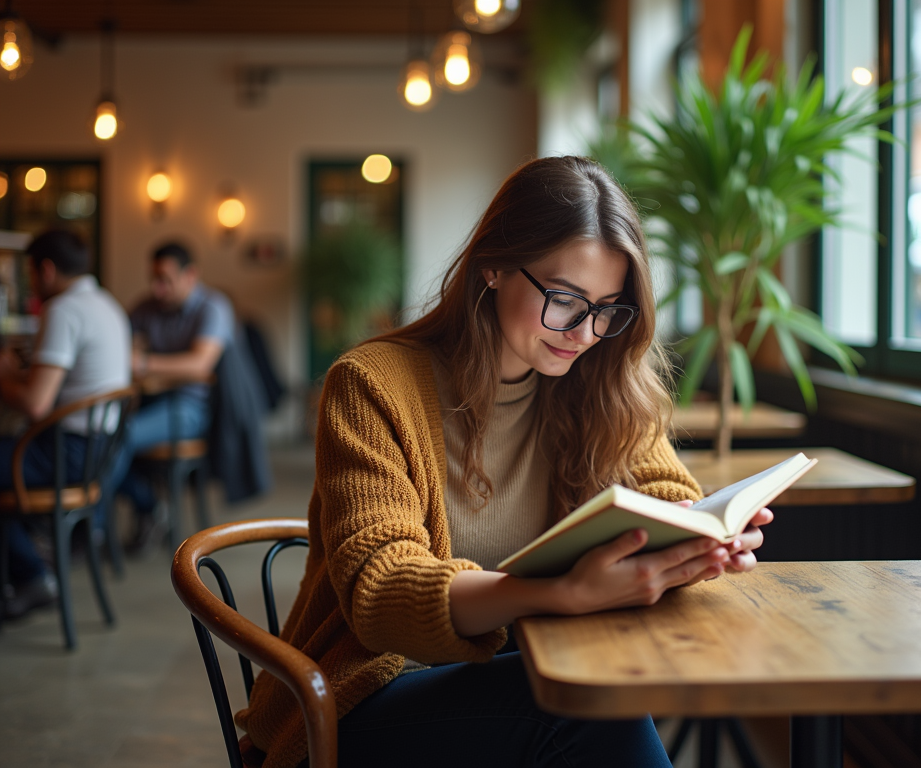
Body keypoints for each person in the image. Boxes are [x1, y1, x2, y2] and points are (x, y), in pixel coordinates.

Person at [235, 157, 773, 768]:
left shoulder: (599, 379)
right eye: (566, 299)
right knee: (580, 709)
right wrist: (554, 592)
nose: (584, 332)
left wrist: (696, 534)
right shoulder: (371, 384)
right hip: (358, 699)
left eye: (607, 308)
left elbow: (661, 482)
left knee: (591, 699)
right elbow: (381, 595)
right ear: (492, 265)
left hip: (508, 681)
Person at [0, 229, 130, 620]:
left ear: (47, 269)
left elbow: (36, 404)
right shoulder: (107, 304)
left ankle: (31, 575)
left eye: (31, 274)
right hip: (97, 452)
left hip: (65, 453)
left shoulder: (63, 310)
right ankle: (30, 564)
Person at [112, 241, 235, 551]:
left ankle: (95, 526)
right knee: (101, 436)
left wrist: (142, 362)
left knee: (116, 437)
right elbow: (119, 346)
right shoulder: (146, 307)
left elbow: (200, 364)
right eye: (153, 279)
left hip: (191, 408)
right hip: (151, 402)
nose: (157, 288)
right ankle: (149, 506)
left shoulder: (213, 306)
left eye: (165, 279)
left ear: (190, 275)